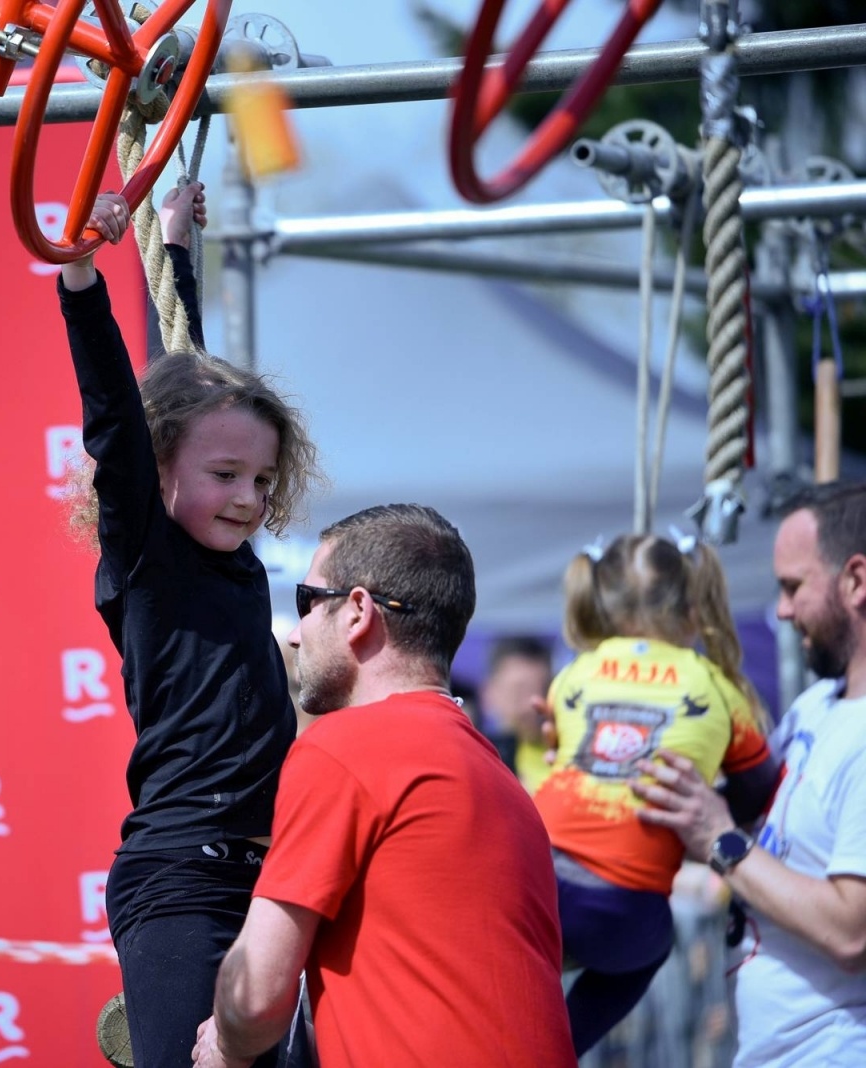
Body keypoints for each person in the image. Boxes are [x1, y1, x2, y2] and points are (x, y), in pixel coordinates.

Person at [58, 185, 320, 1068]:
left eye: (260, 480)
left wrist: (174, 247)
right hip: (182, 880)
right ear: (166, 466)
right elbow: (121, 424)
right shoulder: (148, 559)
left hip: (275, 879)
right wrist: (84, 277)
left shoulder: (235, 558)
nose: (248, 499)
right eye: (226, 477)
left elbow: (188, 357)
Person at [192, 504, 575, 1068]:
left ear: (357, 612)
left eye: (306, 602)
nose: (295, 636)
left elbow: (254, 998)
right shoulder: (497, 776)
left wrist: (224, 1047)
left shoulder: (347, 746)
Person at [632, 482, 866, 1066]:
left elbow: (850, 932)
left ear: (856, 581)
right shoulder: (817, 705)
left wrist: (717, 837)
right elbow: (754, 841)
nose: (781, 610)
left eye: (793, 587)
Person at [535, 532, 778, 1055]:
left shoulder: (573, 672)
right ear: (694, 605)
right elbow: (760, 782)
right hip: (625, 910)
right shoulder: (717, 686)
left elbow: (564, 745)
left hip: (535, 876)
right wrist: (700, 817)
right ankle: (556, 1049)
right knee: (649, 951)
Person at [478, 635, 555, 786]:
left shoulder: (562, 760)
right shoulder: (473, 758)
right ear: (489, 693)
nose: (530, 705)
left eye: (541, 690)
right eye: (518, 692)